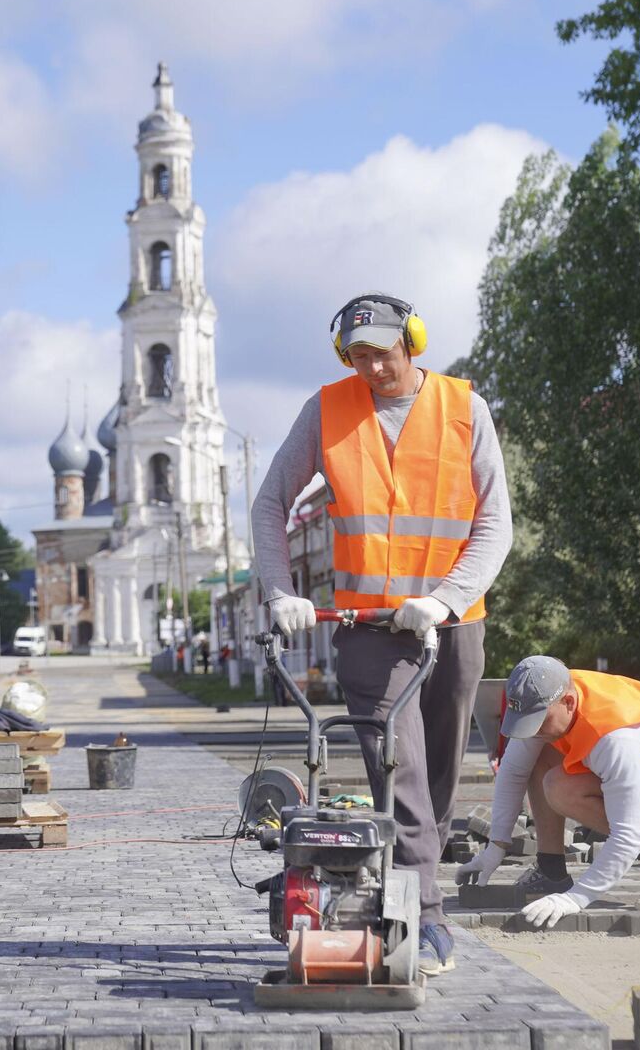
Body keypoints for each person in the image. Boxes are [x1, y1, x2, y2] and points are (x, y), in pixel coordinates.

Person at [252, 292, 512, 976]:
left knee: (441, 780)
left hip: (452, 627)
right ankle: (424, 920)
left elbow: (495, 525)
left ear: (413, 343)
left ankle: (422, 892)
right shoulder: (327, 411)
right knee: (401, 774)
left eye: (383, 353)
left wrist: (445, 600)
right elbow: (270, 505)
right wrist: (282, 591)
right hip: (368, 629)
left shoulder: (464, 409)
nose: (372, 368)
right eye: (358, 356)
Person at [455, 656, 640, 924]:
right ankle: (551, 869)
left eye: (539, 720)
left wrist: (576, 898)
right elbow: (514, 771)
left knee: (562, 789)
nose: (533, 729)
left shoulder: (615, 737)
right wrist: (496, 846)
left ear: (569, 702)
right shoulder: (549, 693)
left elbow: (628, 835)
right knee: (540, 753)